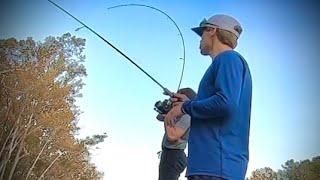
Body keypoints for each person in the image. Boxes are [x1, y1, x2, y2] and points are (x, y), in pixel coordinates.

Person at [164, 14, 252, 180]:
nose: (200, 39)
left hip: (215, 167)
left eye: (202, 33)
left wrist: (184, 108)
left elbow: (225, 103)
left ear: (212, 30)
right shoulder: (227, 62)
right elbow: (220, 104)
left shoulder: (228, 58)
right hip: (211, 167)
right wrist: (189, 103)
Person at [158, 88, 197, 180]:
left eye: (178, 98)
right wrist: (168, 113)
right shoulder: (180, 114)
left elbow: (173, 135)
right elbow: (160, 118)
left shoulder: (187, 115)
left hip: (174, 155)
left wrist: (168, 117)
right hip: (170, 154)